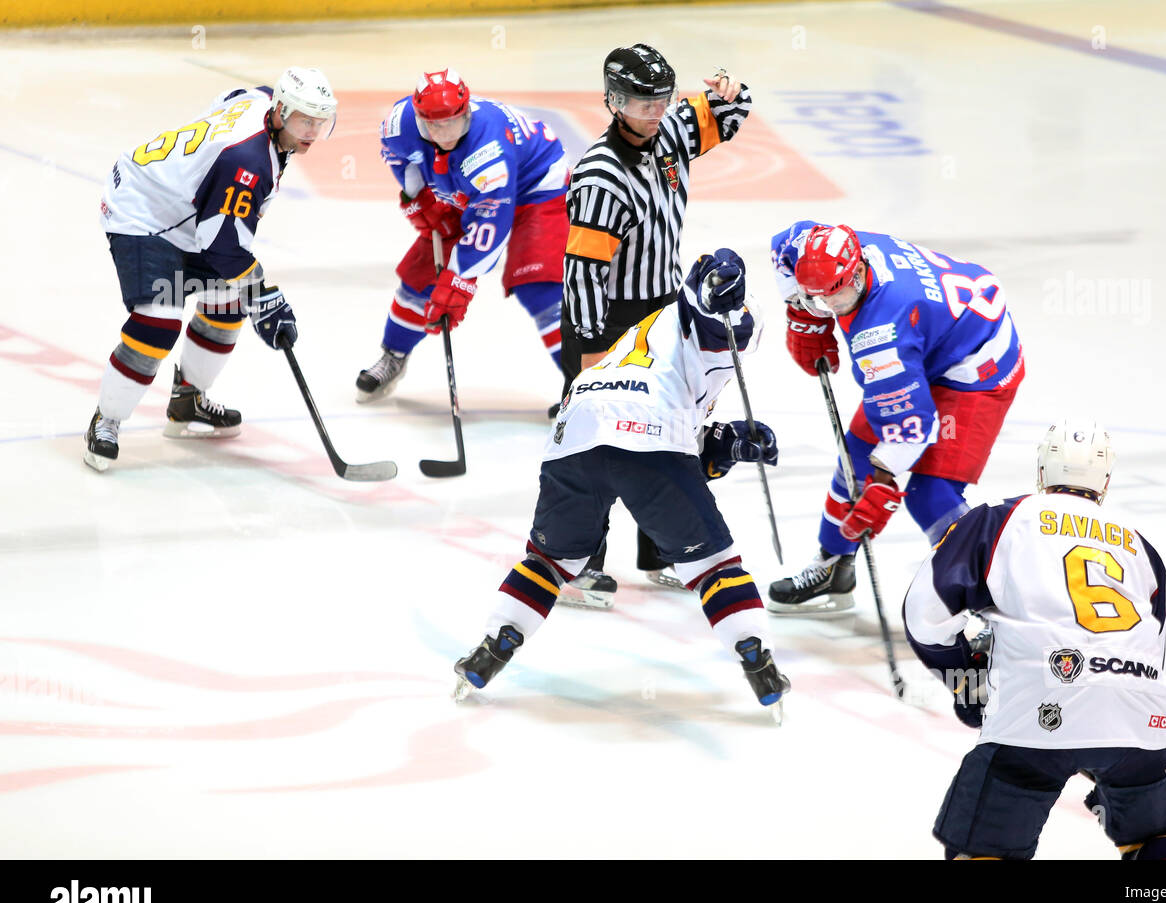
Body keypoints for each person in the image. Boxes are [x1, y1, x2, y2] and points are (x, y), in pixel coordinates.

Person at [451, 250, 790, 718]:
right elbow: (710, 316)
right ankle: (758, 659)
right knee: (713, 566)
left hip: (576, 431)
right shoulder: (701, 326)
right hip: (646, 431)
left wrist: (729, 445)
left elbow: (680, 458)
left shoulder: (655, 345)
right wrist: (715, 290)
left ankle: (491, 649)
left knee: (550, 560)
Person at [903, 421, 1166, 860]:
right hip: (1147, 726)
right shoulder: (1140, 546)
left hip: (1035, 715)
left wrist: (967, 682)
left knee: (984, 851)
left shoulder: (1000, 520)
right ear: (1105, 482)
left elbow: (925, 616)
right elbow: (1150, 652)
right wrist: (1108, 762)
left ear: (1041, 472)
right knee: (1154, 839)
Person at [559, 44, 752, 605]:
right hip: (607, 320)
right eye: (643, 102)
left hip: (662, 310)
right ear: (614, 102)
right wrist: (592, 355)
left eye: (662, 99)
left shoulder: (670, 133)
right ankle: (576, 564)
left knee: (671, 431)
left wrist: (730, 93)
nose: (656, 110)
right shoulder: (600, 173)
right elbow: (582, 272)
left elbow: (729, 115)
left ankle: (660, 550)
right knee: (595, 444)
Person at [766, 222, 1025, 613]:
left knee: (931, 495)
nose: (830, 308)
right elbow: (783, 244)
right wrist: (803, 313)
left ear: (857, 273)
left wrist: (884, 484)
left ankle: (991, 603)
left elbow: (913, 428)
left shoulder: (881, 336)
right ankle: (834, 565)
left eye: (835, 298)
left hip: (977, 368)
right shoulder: (833, 249)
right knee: (855, 456)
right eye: (818, 300)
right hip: (934, 335)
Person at [85, 67, 336, 471]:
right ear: (282, 111)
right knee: (158, 322)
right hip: (141, 212)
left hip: (184, 214)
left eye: (319, 122)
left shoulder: (261, 100)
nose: (311, 131)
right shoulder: (249, 161)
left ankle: (188, 401)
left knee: (227, 302)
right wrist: (264, 296)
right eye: (305, 120)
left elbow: (226, 102)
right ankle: (106, 419)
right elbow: (222, 245)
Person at [354, 69, 570, 402]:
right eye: (433, 125)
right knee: (423, 271)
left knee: (538, 285)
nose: (444, 132)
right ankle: (393, 356)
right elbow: (399, 157)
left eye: (452, 122)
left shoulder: (488, 152)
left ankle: (582, 385)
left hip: (537, 184)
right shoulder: (400, 124)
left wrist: (459, 283)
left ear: (466, 111)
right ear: (419, 117)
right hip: (465, 185)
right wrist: (419, 197)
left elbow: (489, 230)